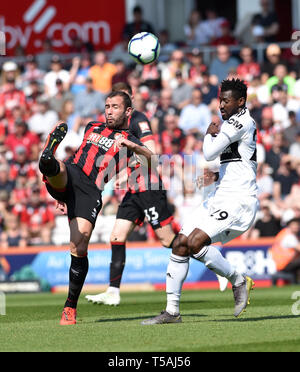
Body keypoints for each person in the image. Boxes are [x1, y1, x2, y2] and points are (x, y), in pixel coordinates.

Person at [141, 79, 259, 325]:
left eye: (227, 100)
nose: (221, 105)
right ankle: (172, 312)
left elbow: (208, 153)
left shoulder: (240, 121)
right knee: (180, 244)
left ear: (241, 102)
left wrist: (208, 134)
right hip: (220, 195)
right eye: (220, 100)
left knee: (195, 242)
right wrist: (217, 176)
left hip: (238, 201)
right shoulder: (234, 122)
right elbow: (241, 161)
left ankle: (238, 280)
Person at [38, 91, 153, 325]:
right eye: (107, 106)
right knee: (52, 164)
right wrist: (62, 193)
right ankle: (49, 155)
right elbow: (80, 155)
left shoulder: (131, 140)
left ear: (128, 111)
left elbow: (152, 160)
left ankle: (70, 307)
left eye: (115, 107)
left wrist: (131, 145)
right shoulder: (92, 126)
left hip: (91, 190)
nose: (109, 111)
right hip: (71, 173)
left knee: (78, 245)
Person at [85, 82, 176, 306]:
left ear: (129, 101)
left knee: (168, 241)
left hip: (149, 187)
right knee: (116, 237)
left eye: (120, 103)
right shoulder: (114, 126)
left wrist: (133, 160)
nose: (113, 109)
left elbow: (152, 154)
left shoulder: (138, 119)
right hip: (133, 189)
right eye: (110, 105)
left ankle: (216, 264)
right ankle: (113, 292)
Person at [270, 218, 300, 285]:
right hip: (284, 264)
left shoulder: (284, 233)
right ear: (289, 226)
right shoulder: (289, 237)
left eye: (298, 225)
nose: (297, 227)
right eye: (294, 225)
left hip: (281, 263)